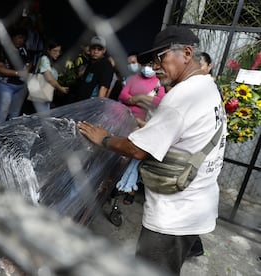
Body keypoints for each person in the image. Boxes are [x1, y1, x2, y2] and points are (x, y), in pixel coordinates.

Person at [77, 26, 226, 275]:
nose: (155, 65)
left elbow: (137, 149)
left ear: (187, 53)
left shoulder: (181, 97)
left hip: (173, 216)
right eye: (153, 60)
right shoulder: (207, 86)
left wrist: (105, 139)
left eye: (161, 57)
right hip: (198, 202)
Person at [116, 62, 166, 204]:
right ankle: (117, 183)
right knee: (120, 153)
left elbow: (159, 102)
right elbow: (123, 95)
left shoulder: (159, 82)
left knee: (134, 157)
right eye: (148, 63)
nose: (150, 67)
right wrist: (136, 99)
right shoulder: (134, 78)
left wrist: (137, 97)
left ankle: (130, 190)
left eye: (153, 64)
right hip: (125, 118)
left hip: (143, 124)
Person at [0, 26, 31, 124]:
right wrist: (18, 73)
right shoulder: (4, 49)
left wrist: (27, 69)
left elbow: (29, 63)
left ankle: (9, 137)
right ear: (12, 37)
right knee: (2, 113)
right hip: (5, 85)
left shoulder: (23, 49)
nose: (21, 41)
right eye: (19, 37)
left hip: (21, 86)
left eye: (23, 38)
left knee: (14, 115)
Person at [29, 40, 69, 113]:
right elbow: (49, 77)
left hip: (46, 93)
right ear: (48, 50)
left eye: (59, 51)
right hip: (41, 92)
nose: (57, 53)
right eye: (55, 51)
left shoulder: (51, 61)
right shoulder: (44, 59)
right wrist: (60, 88)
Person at [76, 36, 114, 100]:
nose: (96, 51)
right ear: (90, 49)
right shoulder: (90, 63)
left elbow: (104, 88)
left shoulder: (106, 65)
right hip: (82, 103)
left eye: (99, 49)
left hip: (92, 104)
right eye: (94, 48)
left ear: (104, 50)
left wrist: (97, 106)